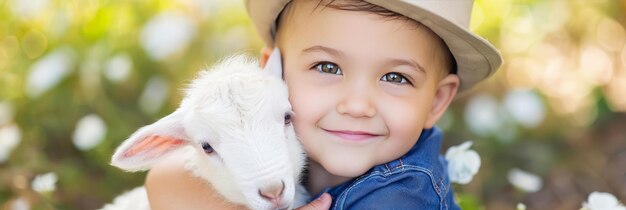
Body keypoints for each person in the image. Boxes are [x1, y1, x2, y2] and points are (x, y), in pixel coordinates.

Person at [145, 0, 502, 209]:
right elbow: (163, 180)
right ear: (273, 75)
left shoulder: (403, 196)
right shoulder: (278, 137)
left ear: (436, 101)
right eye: (327, 67)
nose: (358, 105)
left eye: (395, 77)